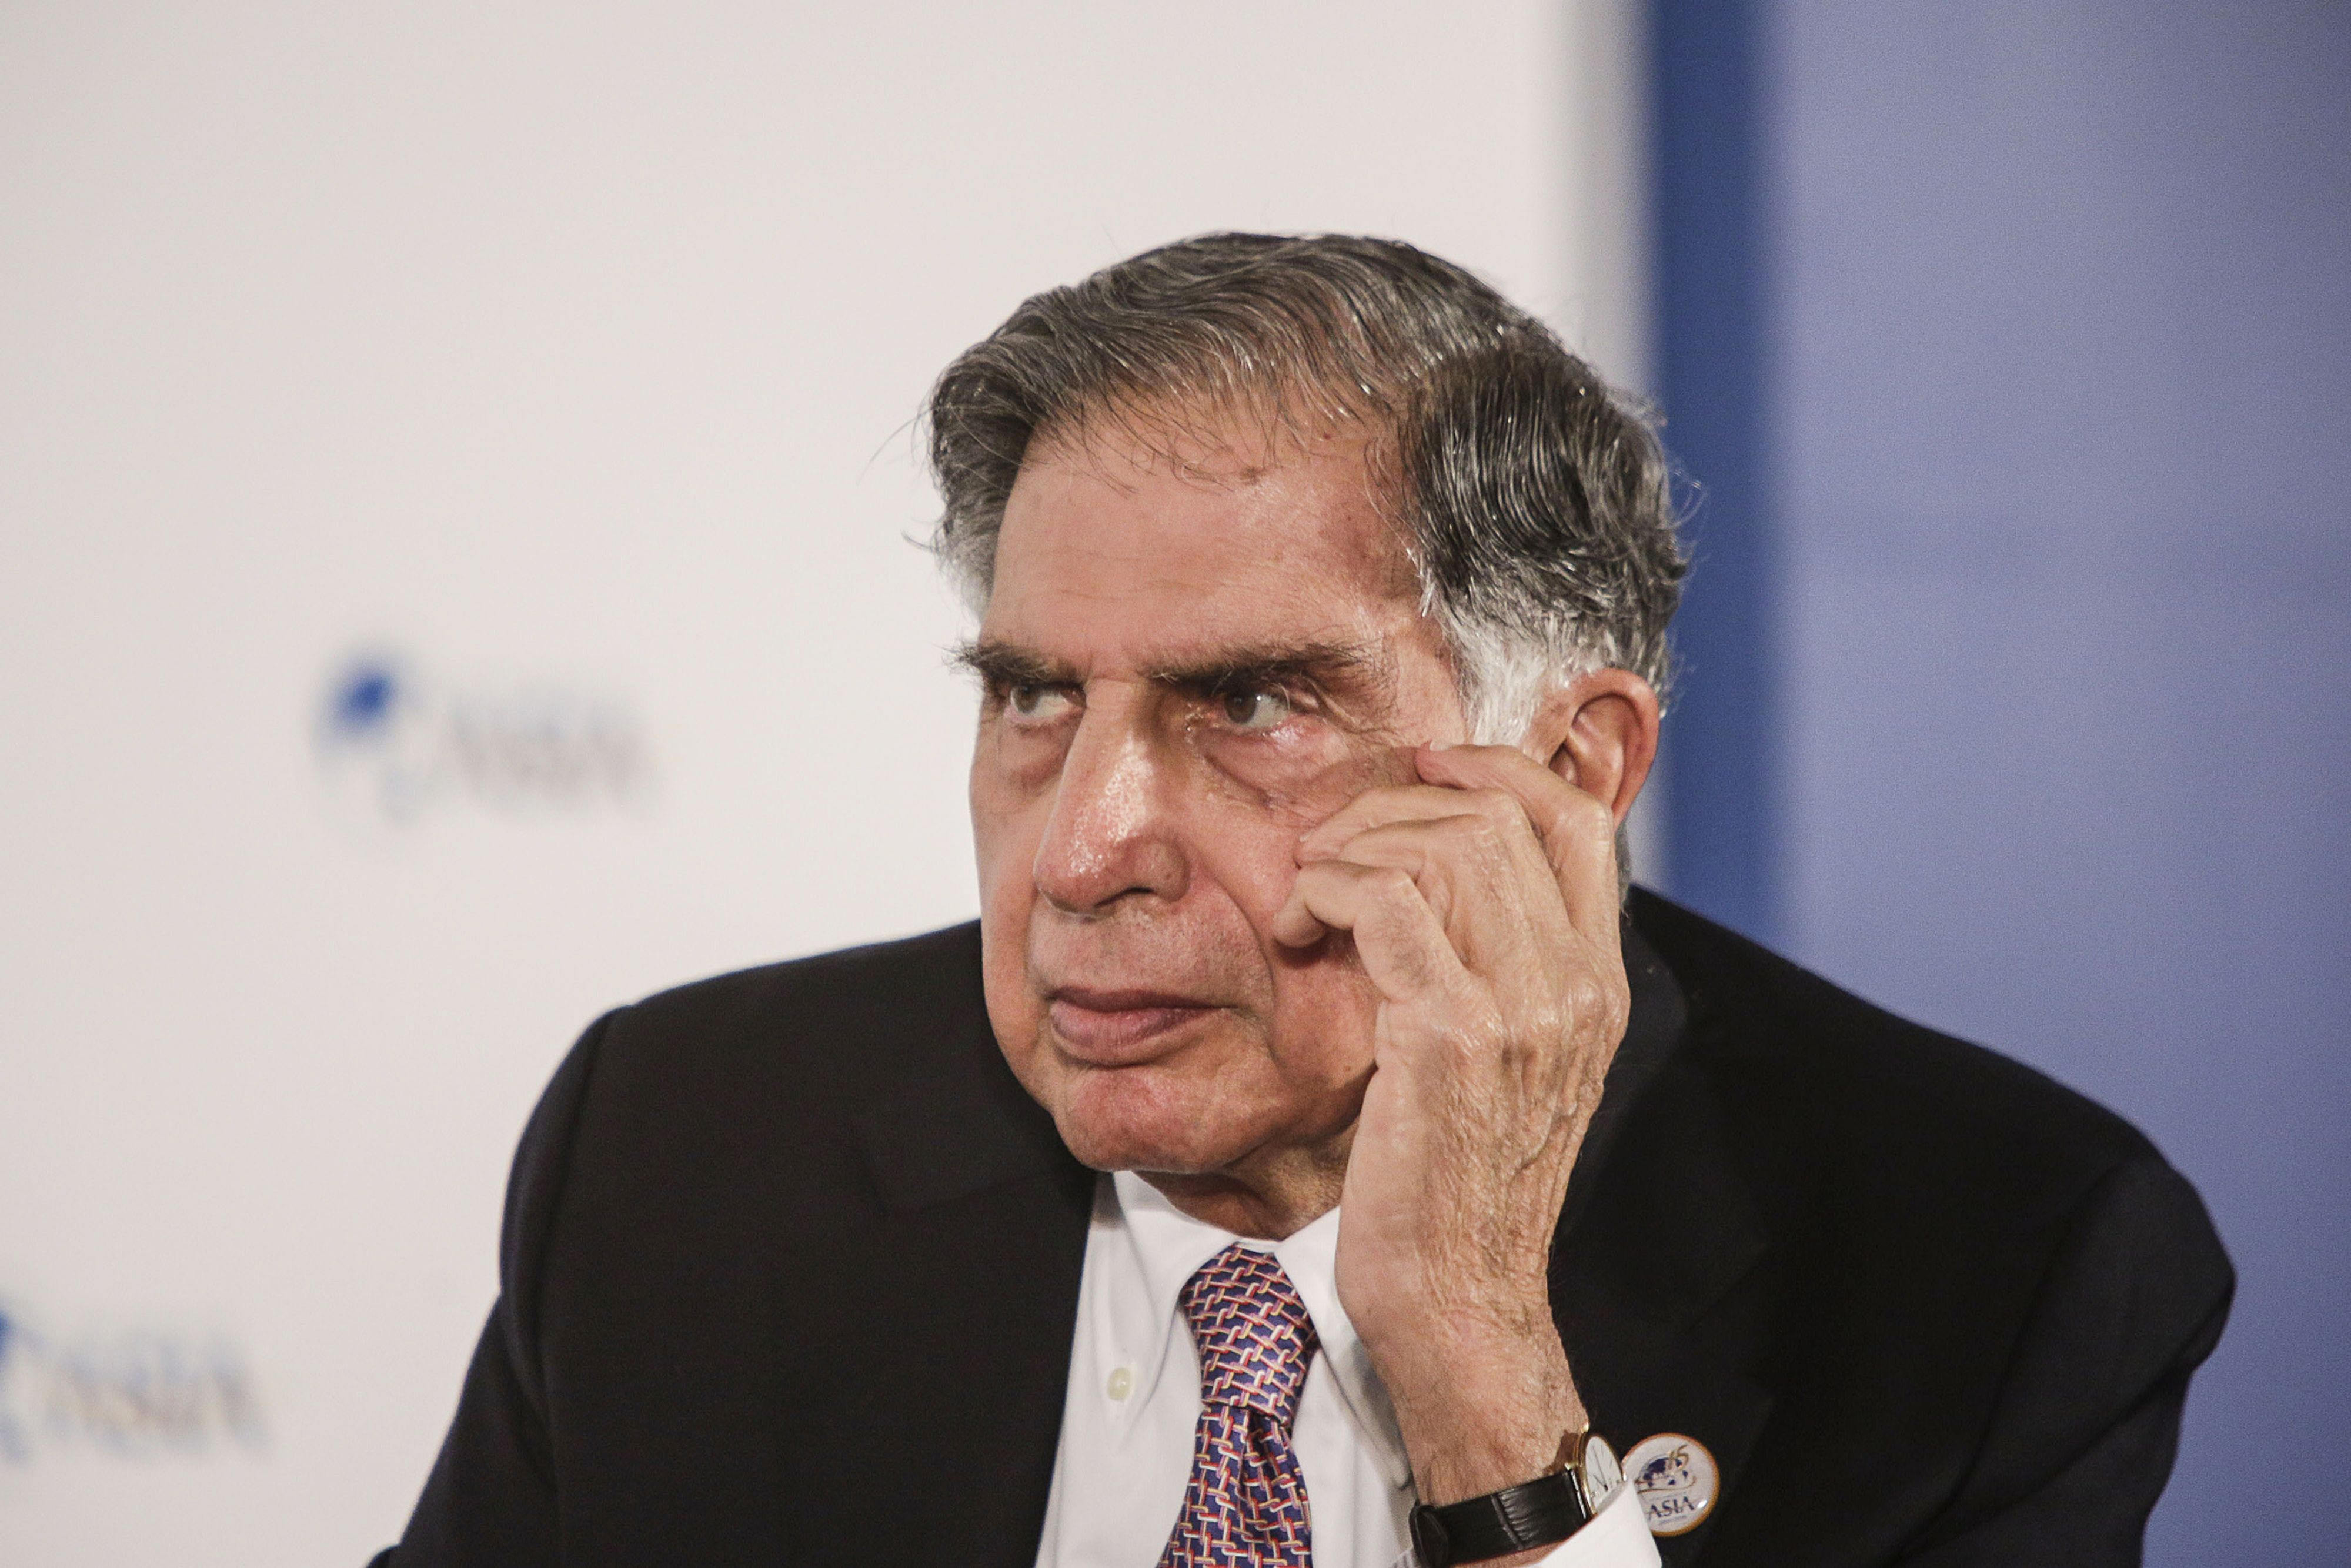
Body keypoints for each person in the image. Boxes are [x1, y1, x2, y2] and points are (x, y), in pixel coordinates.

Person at [372, 235, 2232, 1567]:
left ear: (1572, 765)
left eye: (1253, 704)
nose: (1086, 848)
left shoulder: (1992, 1270)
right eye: (1034, 698)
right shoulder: (684, 1149)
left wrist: (1480, 1361)